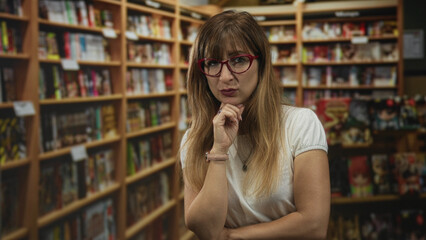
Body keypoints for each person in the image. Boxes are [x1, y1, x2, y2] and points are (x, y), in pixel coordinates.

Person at [179, 10, 330, 240]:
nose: (225, 77)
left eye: (238, 60)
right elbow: (205, 229)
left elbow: (314, 225)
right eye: (212, 63)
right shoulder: (194, 139)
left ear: (262, 64)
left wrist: (232, 236)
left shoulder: (300, 124)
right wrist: (219, 151)